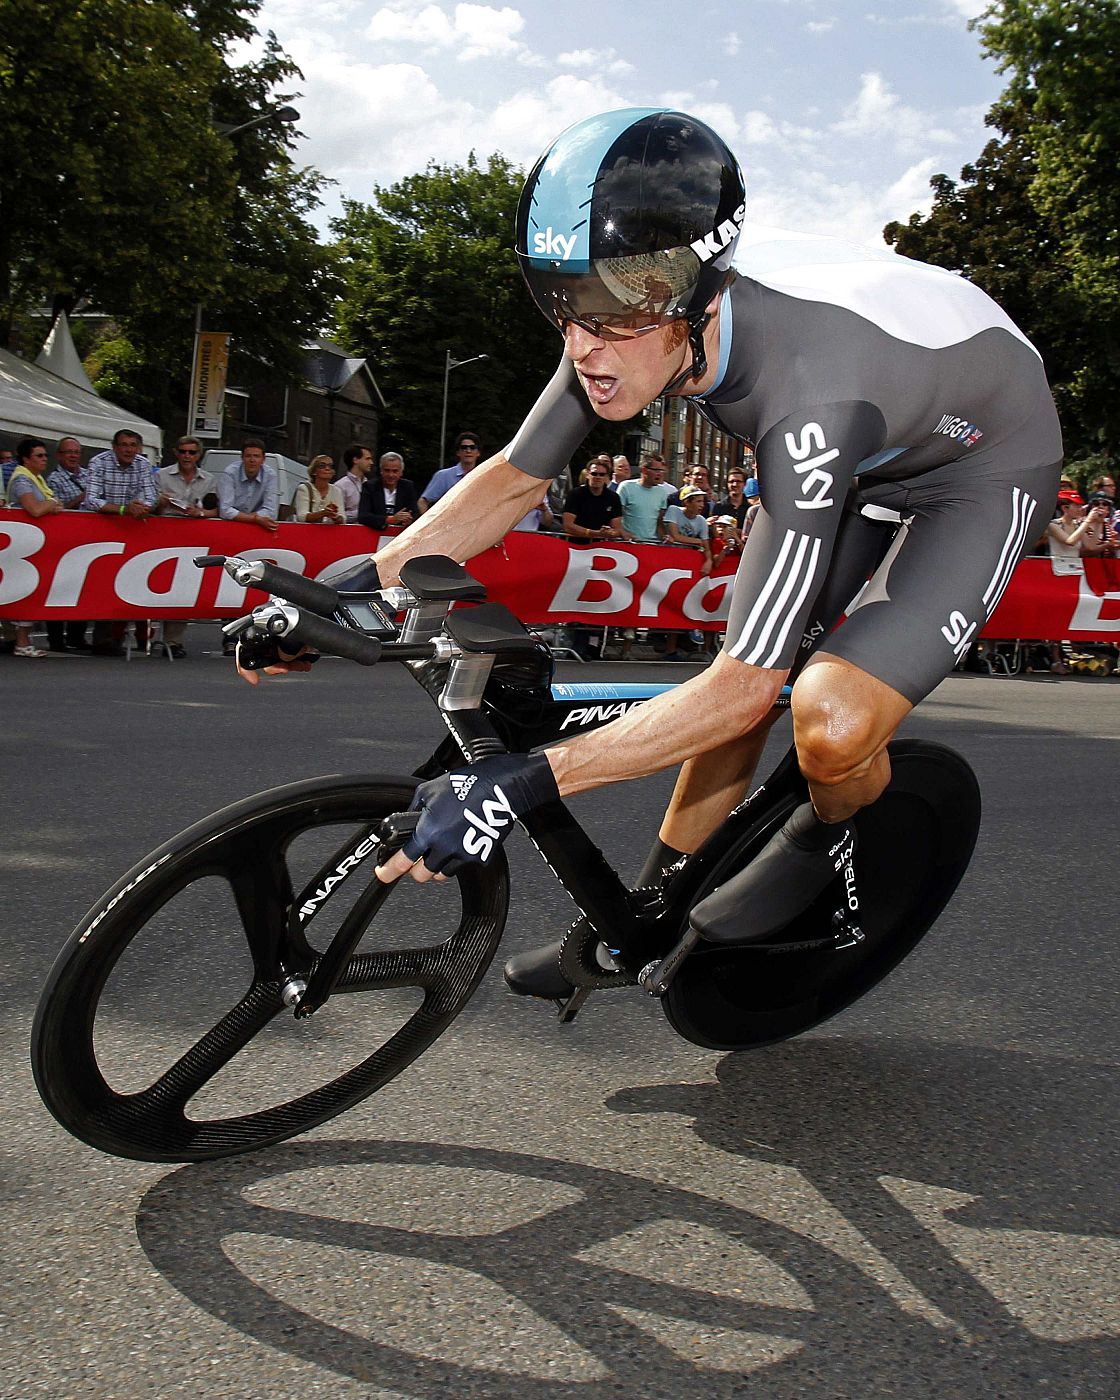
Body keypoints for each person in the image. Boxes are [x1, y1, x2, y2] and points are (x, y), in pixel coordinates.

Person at [244, 107, 1062, 1003]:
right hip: (875, 426)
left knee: (824, 720)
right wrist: (348, 583)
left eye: (604, 320)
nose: (581, 347)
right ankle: (647, 913)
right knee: (744, 663)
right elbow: (516, 480)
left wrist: (515, 787)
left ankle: (832, 836)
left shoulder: (807, 400)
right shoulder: (631, 308)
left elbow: (743, 689)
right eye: (560, 307)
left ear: (698, 302)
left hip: (980, 465)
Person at [154, 438, 217, 658]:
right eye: (183, 452)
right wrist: (159, 503)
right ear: (176, 453)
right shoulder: (161, 476)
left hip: (193, 538)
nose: (187, 456)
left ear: (198, 455)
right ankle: (144, 635)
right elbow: (149, 503)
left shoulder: (209, 480)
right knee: (156, 584)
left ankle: (173, 640)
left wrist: (200, 513)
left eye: (192, 452)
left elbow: (217, 510)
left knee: (182, 587)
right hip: (162, 535)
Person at [5, 438, 61, 657]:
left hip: (31, 546)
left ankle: (20, 640)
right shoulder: (23, 480)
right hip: (21, 545)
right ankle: (21, 641)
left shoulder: (36, 479)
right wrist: (52, 504)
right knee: (23, 591)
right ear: (26, 459)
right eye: (39, 456)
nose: (44, 459)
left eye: (45, 455)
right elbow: (35, 510)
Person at [216, 440, 279, 534]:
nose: (252, 460)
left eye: (256, 456)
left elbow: (271, 512)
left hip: (257, 529)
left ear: (263, 459)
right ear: (242, 458)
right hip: (231, 527)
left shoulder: (270, 475)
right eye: (248, 456)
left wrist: (244, 517)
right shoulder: (230, 473)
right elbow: (225, 510)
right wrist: (255, 519)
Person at [419, 432, 482, 512]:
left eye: (472, 447)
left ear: (478, 453)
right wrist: (429, 523)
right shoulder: (443, 476)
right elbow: (422, 502)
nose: (468, 450)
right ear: (458, 452)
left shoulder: (483, 476)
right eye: (464, 447)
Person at [616, 455, 673, 542]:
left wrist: (664, 536)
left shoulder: (662, 491)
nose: (660, 473)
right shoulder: (626, 487)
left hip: (651, 544)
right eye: (656, 470)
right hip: (628, 543)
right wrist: (623, 533)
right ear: (644, 470)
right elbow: (617, 516)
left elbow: (659, 521)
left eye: (662, 470)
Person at [358, 452, 420, 530]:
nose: (391, 475)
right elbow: (363, 516)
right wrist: (389, 520)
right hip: (375, 533)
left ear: (401, 472)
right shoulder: (369, 486)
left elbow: (415, 513)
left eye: (395, 471)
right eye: (387, 471)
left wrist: (409, 520)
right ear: (381, 471)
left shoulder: (408, 486)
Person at [293, 456, 345, 524]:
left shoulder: (337, 491)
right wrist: (323, 513)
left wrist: (335, 517)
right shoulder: (304, 488)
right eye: (322, 466)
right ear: (314, 472)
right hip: (307, 533)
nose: (327, 468)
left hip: (329, 533)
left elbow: (343, 518)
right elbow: (302, 517)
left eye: (330, 466)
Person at [335, 444, 375, 523]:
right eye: (367, 459)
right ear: (355, 460)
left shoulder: (370, 484)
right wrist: (362, 513)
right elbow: (338, 515)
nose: (371, 462)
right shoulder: (341, 485)